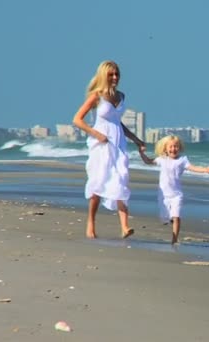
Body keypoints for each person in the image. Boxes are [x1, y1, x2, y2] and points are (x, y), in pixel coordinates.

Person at [72, 60, 146, 239]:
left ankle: (125, 227)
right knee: (99, 183)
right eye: (111, 74)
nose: (115, 77)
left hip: (119, 144)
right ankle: (91, 223)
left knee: (120, 180)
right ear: (103, 75)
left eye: (117, 74)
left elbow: (117, 123)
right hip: (101, 146)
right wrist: (96, 134)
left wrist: (136, 140)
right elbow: (77, 120)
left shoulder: (121, 96)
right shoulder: (96, 96)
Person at [138, 135, 209, 244]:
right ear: (165, 148)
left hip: (176, 195)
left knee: (176, 217)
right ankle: (168, 219)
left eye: (176, 146)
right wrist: (141, 153)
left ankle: (174, 239)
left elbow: (194, 168)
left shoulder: (182, 160)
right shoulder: (162, 159)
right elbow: (148, 161)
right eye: (171, 146)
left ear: (179, 148)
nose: (173, 149)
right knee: (165, 217)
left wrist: (206, 170)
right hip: (163, 195)